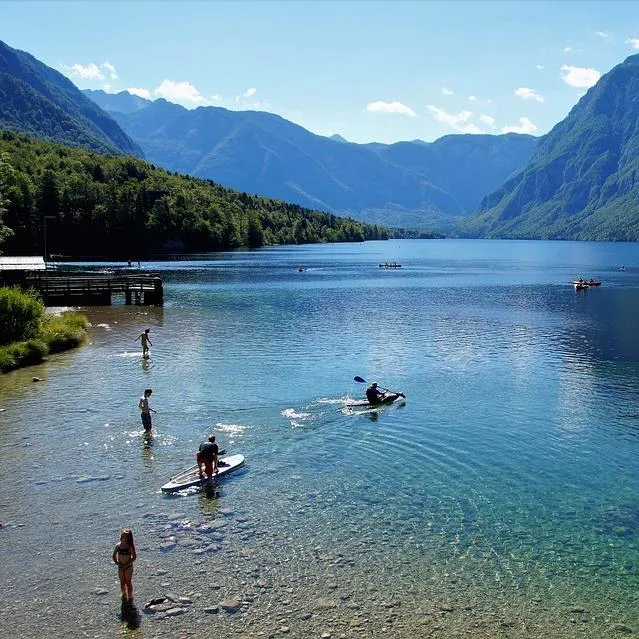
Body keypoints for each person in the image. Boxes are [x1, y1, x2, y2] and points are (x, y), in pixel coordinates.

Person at [112, 528, 137, 601]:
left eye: (124, 537)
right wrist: (117, 563)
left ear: (128, 538)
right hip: (120, 566)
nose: (122, 538)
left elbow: (134, 557)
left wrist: (126, 565)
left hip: (128, 567)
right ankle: (124, 594)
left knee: (128, 582)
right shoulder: (118, 546)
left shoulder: (130, 547)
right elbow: (113, 555)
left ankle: (130, 596)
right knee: (122, 582)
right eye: (122, 536)